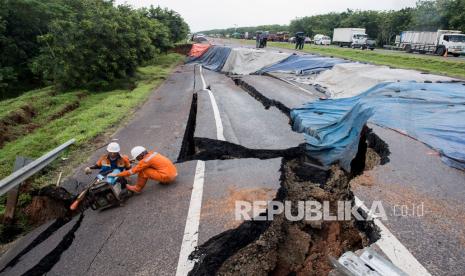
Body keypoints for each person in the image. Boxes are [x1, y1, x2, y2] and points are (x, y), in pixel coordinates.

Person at [110, 146, 178, 193]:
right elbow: (145, 163)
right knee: (148, 167)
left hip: (167, 176)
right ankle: (165, 181)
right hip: (173, 173)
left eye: (137, 158)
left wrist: (117, 174)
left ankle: (137, 188)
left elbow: (132, 171)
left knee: (143, 171)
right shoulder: (153, 153)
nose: (138, 160)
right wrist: (135, 160)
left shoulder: (145, 161)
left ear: (140, 155)